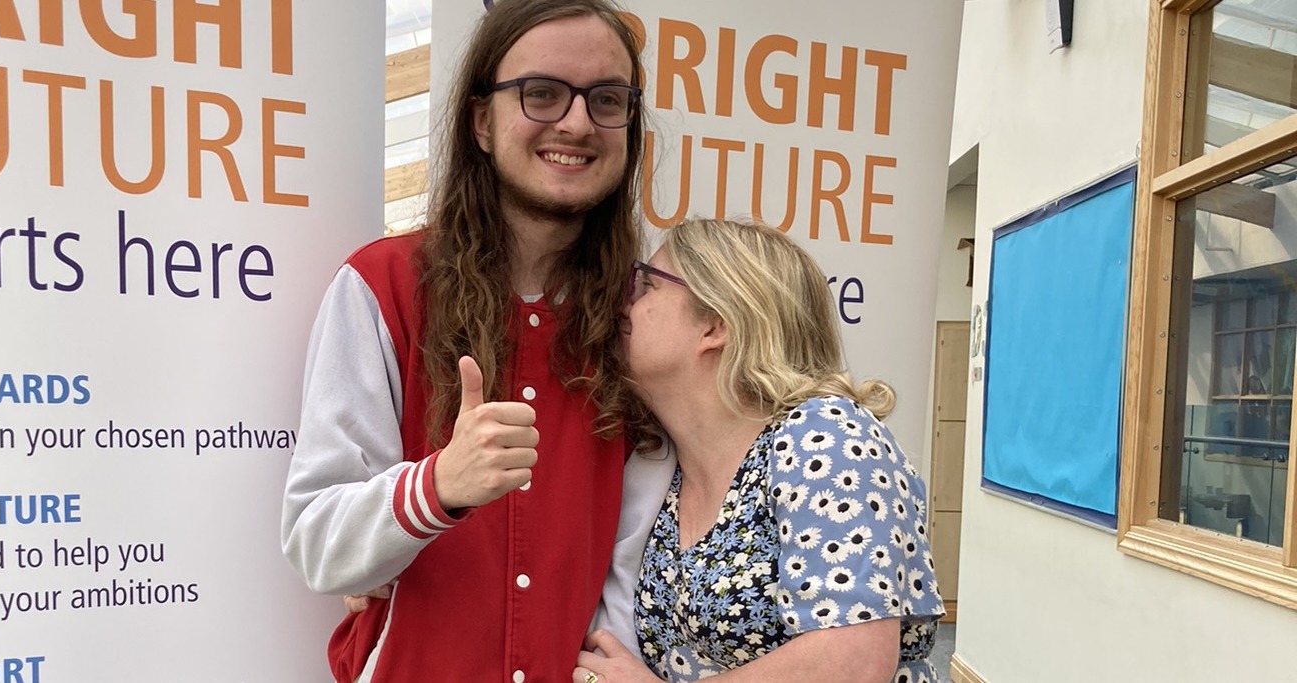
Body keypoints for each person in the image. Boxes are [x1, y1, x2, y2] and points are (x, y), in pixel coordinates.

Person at [280, 0, 649, 680]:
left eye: (606, 99)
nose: (575, 121)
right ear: (482, 120)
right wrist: (437, 485)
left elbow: (642, 546)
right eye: (541, 93)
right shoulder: (381, 286)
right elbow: (316, 539)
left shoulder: (644, 318)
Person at [574, 218, 945, 683]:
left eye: (647, 284)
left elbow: (851, 662)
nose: (624, 301)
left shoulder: (827, 437)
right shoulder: (663, 467)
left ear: (715, 324)